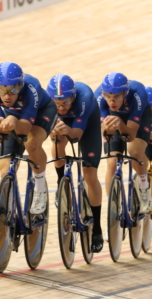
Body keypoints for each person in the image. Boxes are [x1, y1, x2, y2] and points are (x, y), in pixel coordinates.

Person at [0, 62, 57, 214]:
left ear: (21, 85)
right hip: (14, 117)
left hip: (41, 112)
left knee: (31, 143)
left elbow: (26, 129)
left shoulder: (32, 87)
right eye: (1, 90)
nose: (7, 96)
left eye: (13, 89)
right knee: (5, 168)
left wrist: (13, 121)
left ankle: (40, 188)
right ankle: (8, 208)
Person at [46, 74, 104, 253]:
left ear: (73, 97)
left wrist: (67, 129)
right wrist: (53, 131)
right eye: (57, 103)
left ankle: (97, 228)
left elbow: (77, 136)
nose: (61, 107)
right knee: (56, 140)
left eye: (65, 102)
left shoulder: (84, 97)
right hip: (67, 124)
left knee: (89, 173)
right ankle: (60, 181)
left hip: (87, 124)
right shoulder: (48, 103)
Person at [94, 72, 152, 213]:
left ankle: (144, 189)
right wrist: (107, 129)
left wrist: (120, 125)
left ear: (125, 93)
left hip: (139, 116)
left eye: (117, 96)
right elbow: (104, 132)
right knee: (112, 162)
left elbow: (130, 136)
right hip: (114, 116)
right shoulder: (98, 97)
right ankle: (112, 209)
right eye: (108, 96)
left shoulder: (137, 94)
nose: (112, 101)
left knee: (135, 151)